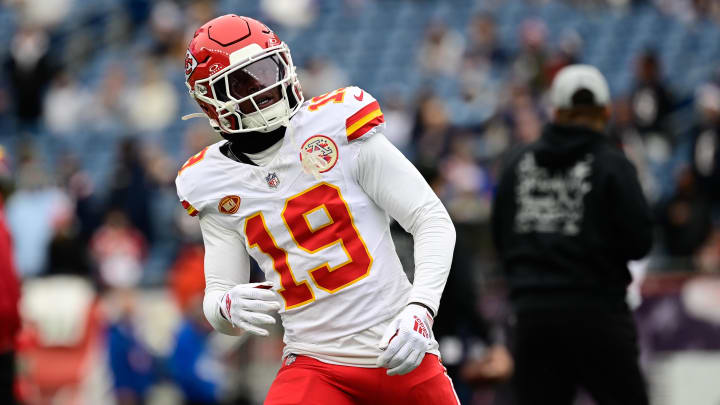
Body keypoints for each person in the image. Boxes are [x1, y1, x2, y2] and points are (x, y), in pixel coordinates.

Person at [176, 15, 458, 405]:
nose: (265, 86)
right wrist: (224, 308)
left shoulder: (336, 126)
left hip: (398, 348)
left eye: (267, 69)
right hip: (315, 364)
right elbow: (219, 294)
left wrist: (420, 310)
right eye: (244, 81)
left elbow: (431, 218)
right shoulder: (210, 181)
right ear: (212, 100)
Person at [491, 65, 653, 405]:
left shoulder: (517, 162)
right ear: (605, 112)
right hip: (598, 313)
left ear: (556, 112)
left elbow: (500, 237)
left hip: (533, 317)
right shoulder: (613, 164)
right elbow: (640, 242)